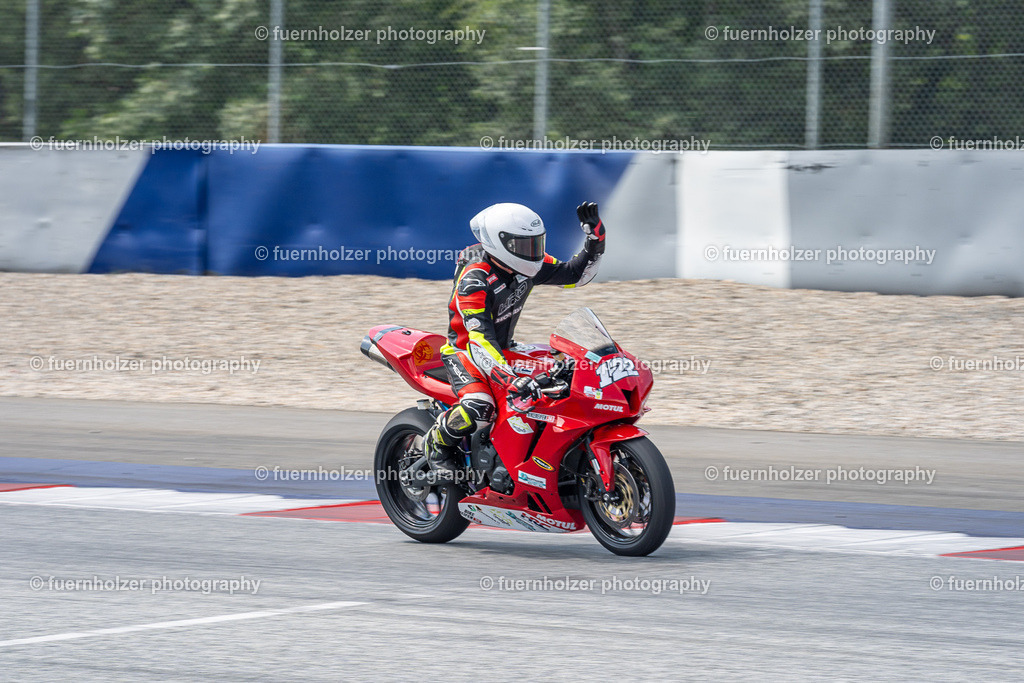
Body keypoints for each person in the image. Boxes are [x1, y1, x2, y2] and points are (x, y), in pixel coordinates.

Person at [424, 201, 606, 477]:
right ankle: (436, 444)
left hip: (504, 349)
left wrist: (595, 239)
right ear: (499, 244)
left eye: (536, 244)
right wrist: (509, 378)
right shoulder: (474, 279)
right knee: (480, 407)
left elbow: (575, 276)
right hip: (467, 354)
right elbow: (478, 338)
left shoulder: (528, 265)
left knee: (566, 375)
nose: (533, 254)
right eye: (524, 246)